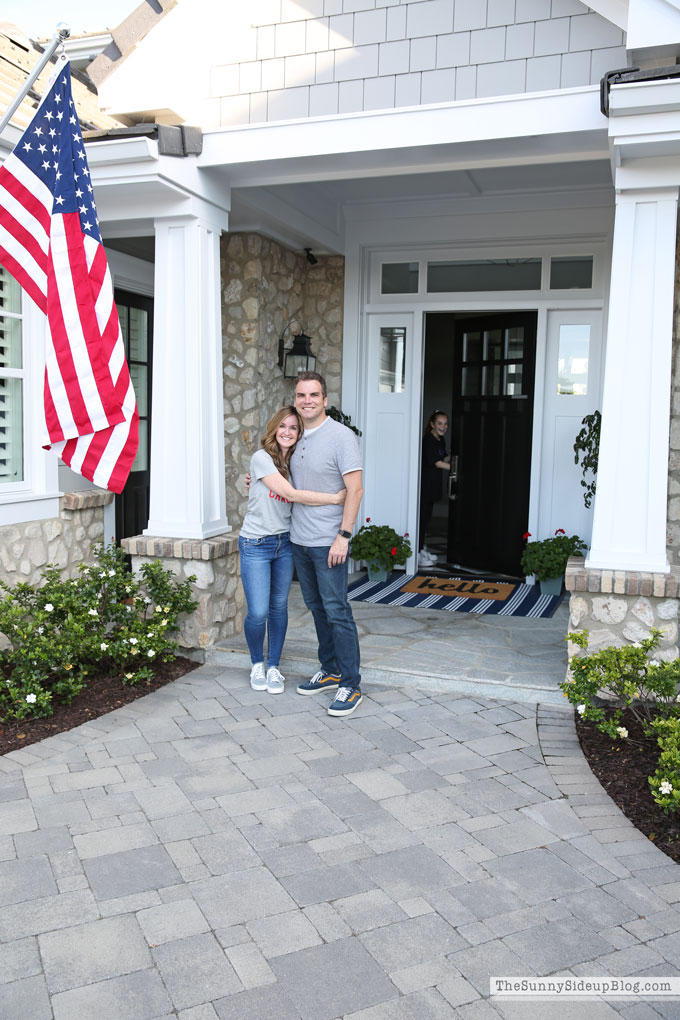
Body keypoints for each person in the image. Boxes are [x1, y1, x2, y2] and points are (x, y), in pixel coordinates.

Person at [239, 406, 346, 695]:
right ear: (274, 429)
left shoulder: (295, 463)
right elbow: (291, 494)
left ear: (299, 433)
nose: (287, 432)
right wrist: (336, 498)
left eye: (294, 428)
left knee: (278, 608)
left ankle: (273, 666)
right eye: (282, 426)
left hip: (285, 543)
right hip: (256, 544)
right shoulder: (261, 459)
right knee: (259, 611)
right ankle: (256, 663)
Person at [290, 371, 365, 717]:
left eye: (314, 395)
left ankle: (350, 684)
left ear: (325, 400)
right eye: (302, 395)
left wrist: (343, 536)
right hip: (299, 539)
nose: (307, 401)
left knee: (337, 610)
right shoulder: (293, 435)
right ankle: (330, 668)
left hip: (328, 542)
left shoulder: (341, 436)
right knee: (317, 607)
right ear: (295, 399)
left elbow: (355, 489)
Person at [419, 410, 450, 568]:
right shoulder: (429, 440)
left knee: (427, 519)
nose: (443, 427)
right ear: (432, 424)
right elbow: (436, 462)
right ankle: (417, 552)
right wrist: (455, 468)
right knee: (422, 520)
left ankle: (421, 548)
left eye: (445, 424)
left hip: (434, 486)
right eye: (439, 423)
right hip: (426, 486)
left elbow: (443, 457)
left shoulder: (440, 439)